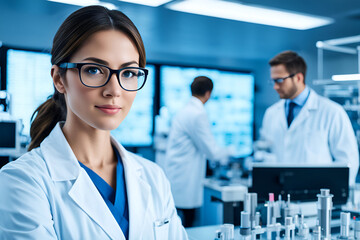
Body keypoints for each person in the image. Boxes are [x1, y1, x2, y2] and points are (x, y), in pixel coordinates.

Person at [0, 6, 187, 240]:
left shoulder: (153, 176)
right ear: (59, 78)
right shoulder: (22, 182)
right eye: (94, 70)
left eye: (128, 73)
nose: (114, 90)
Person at [260, 50, 359, 185]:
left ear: (298, 78)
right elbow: (267, 154)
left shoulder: (332, 112)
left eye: (279, 80)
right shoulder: (271, 113)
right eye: (272, 81)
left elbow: (349, 162)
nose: (275, 87)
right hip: (280, 197)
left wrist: (330, 200)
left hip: (316, 200)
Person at [164, 76, 230, 227]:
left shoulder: (185, 111)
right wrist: (230, 151)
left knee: (179, 220)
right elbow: (211, 151)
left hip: (178, 173)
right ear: (208, 93)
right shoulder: (197, 114)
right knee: (186, 221)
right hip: (185, 176)